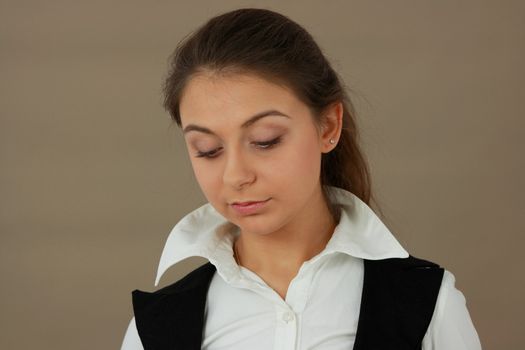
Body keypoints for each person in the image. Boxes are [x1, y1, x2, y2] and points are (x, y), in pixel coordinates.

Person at [120, 8, 482, 350]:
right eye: (208, 149)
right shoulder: (154, 329)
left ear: (328, 126)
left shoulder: (427, 304)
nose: (236, 176)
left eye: (265, 141)